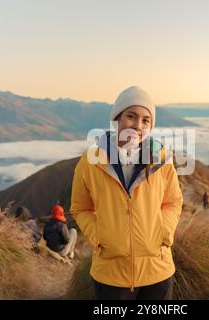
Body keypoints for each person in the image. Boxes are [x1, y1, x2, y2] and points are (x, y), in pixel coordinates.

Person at [70, 86, 183, 300]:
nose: (138, 126)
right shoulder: (90, 162)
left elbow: (173, 202)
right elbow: (80, 208)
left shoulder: (162, 159)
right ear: (117, 118)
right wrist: (100, 238)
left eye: (145, 120)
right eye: (131, 116)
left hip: (157, 270)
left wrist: (163, 233)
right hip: (111, 274)